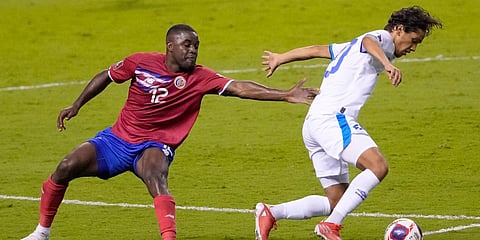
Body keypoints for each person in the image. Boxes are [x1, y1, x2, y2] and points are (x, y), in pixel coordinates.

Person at [21, 23, 318, 240]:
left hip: (156, 143)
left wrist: (284, 95)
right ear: (170, 46)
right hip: (116, 139)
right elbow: (107, 76)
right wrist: (76, 105)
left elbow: (240, 88)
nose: (193, 51)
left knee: (155, 174)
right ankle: (41, 233)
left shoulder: (201, 77)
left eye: (196, 46)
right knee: (65, 166)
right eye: (187, 45)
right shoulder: (140, 63)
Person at [254, 6, 442, 240]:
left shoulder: (350, 47)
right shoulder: (380, 39)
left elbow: (317, 50)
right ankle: (330, 226)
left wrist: (282, 57)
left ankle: (271, 212)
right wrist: (387, 64)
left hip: (315, 122)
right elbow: (369, 40)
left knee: (339, 200)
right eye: (413, 40)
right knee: (378, 166)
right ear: (399, 30)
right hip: (333, 119)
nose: (413, 48)